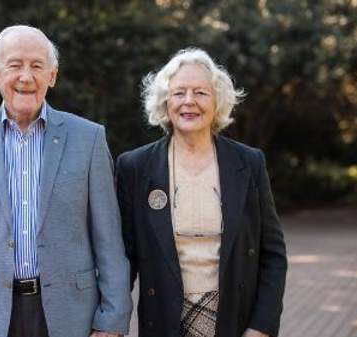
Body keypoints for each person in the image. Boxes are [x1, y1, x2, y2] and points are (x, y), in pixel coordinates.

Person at [0, 25, 132, 337]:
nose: (26, 77)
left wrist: (111, 320)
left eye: (37, 66)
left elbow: (109, 239)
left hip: (71, 316)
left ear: (52, 76)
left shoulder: (89, 138)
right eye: (14, 65)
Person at [115, 48, 287, 337]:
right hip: (163, 323)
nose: (189, 102)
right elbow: (122, 259)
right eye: (179, 92)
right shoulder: (135, 166)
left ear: (217, 101)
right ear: (165, 101)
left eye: (201, 93)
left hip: (235, 322)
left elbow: (273, 254)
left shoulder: (248, 162)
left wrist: (262, 327)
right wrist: (111, 322)